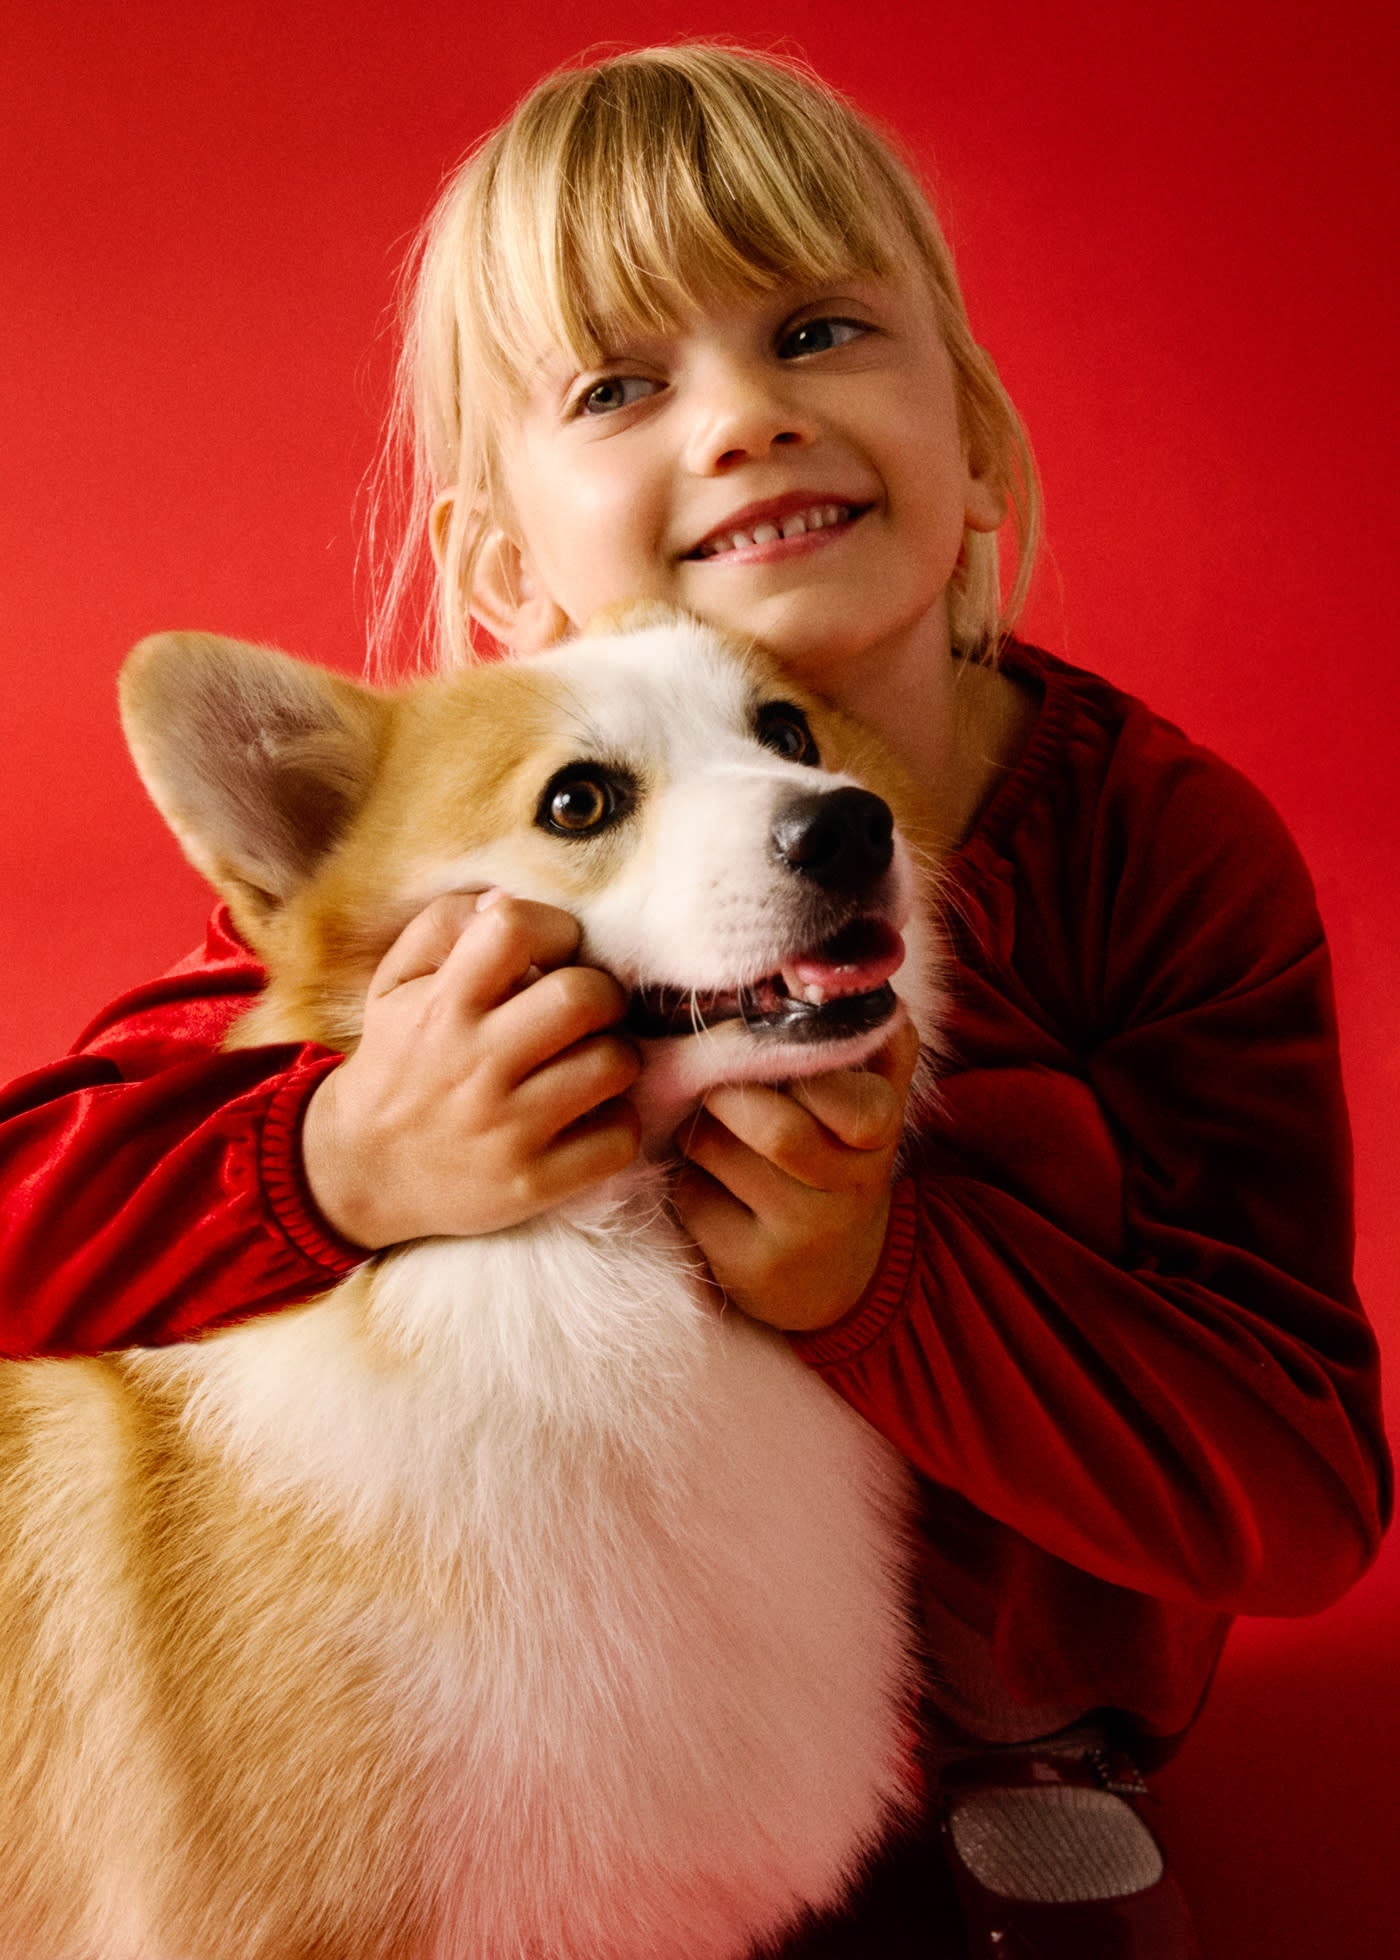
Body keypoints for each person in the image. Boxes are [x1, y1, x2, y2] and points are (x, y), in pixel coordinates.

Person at [0, 43, 1389, 1957]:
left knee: (1026, 1129)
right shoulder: (440, 860)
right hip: (602, 1628)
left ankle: (1032, 1756)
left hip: (1001, 1635)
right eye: (621, 385)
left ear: (979, 440)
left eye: (817, 329)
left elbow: (1302, 1478)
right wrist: (344, 1154)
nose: (742, 422)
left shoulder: (1156, 844)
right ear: (504, 569)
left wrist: (872, 1267)